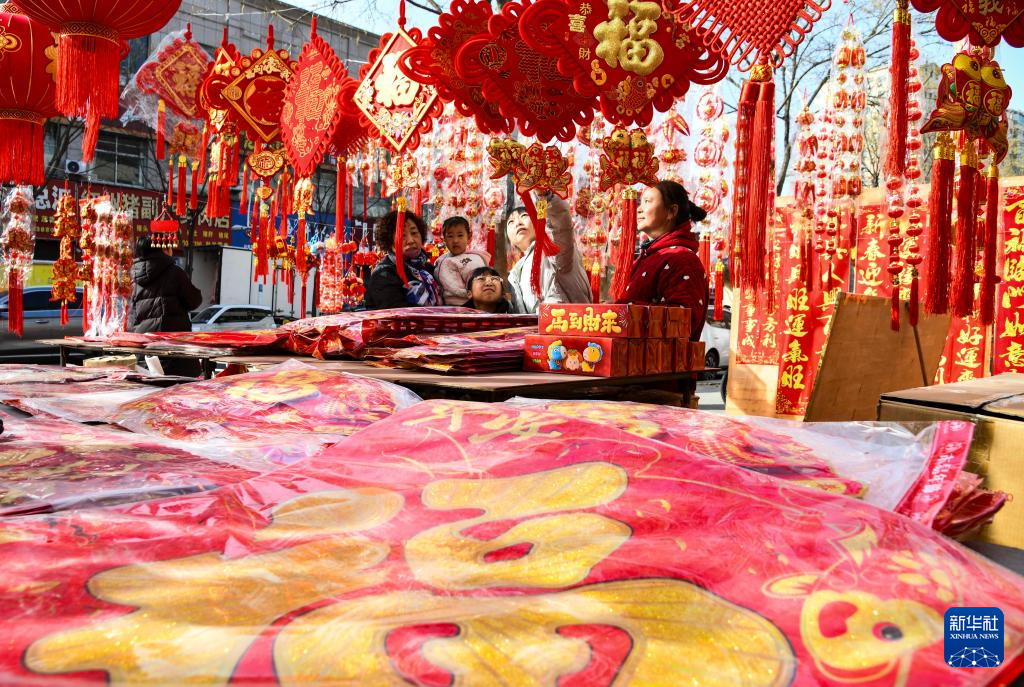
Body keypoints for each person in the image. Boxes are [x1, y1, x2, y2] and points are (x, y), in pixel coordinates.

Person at [617, 180, 708, 342]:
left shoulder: (682, 259)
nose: (639, 209)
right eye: (640, 202)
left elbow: (683, 320)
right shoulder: (650, 256)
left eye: (647, 201)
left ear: (671, 211)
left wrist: (624, 309)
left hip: (657, 357)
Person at [129, 234, 204, 376]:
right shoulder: (175, 273)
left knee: (149, 389)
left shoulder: (133, 278)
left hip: (144, 350)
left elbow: (131, 317)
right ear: (163, 249)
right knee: (178, 388)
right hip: (174, 351)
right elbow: (194, 301)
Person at [506, 193, 590, 313]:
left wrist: (546, 196)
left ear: (539, 220)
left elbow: (559, 227)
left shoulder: (551, 246)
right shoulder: (516, 273)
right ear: (511, 241)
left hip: (565, 321)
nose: (518, 223)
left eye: (524, 216)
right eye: (511, 222)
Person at [364, 209, 442, 310]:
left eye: (414, 233)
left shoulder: (429, 269)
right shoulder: (384, 274)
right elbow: (397, 312)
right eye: (402, 235)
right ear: (389, 242)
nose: (411, 240)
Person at [435, 216, 490, 305]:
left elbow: (481, 284)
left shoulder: (475, 259)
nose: (455, 240)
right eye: (450, 236)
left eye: (460, 235)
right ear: (444, 239)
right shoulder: (440, 260)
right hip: (446, 307)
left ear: (469, 237)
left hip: (470, 304)